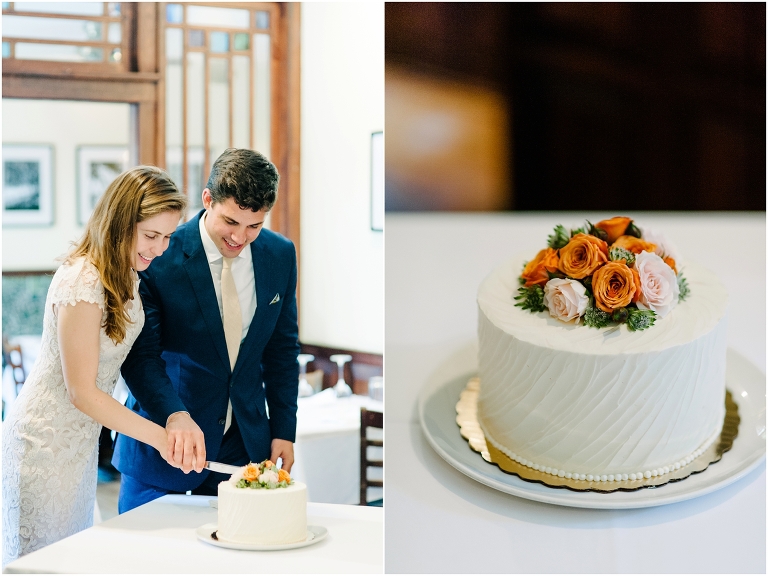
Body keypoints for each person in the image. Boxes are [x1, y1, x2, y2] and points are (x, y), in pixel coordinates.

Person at [2, 166, 187, 565]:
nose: (159, 249)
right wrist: (159, 437)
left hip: (78, 444)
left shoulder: (126, 275)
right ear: (121, 223)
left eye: (167, 237)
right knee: (41, 563)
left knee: (72, 559)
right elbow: (81, 391)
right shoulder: (82, 280)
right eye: (151, 235)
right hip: (43, 442)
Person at [113, 148, 300, 512]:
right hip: (162, 443)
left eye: (254, 225)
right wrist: (174, 415)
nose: (240, 237)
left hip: (243, 449)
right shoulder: (159, 252)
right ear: (207, 200)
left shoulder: (280, 255)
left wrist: (283, 430)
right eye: (231, 222)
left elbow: (282, 350)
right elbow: (141, 357)